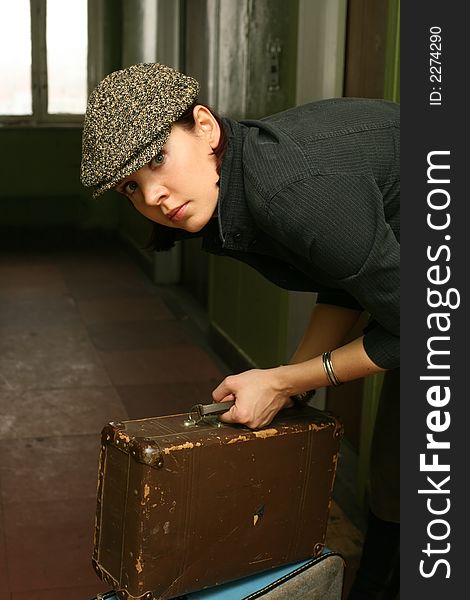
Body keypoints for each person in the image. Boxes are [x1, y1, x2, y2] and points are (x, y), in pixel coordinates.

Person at [80, 63, 400, 599]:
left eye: (158, 160)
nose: (153, 197)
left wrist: (285, 382)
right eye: (131, 187)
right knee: (397, 477)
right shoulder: (239, 183)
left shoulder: (288, 189)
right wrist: (290, 383)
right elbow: (348, 279)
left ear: (203, 126)